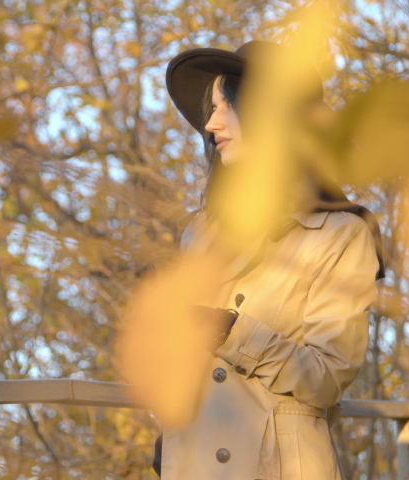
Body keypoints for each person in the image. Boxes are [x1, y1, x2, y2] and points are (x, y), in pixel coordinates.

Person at [152, 41, 385, 479]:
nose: (209, 123)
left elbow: (328, 376)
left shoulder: (340, 234)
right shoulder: (199, 232)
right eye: (211, 107)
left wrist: (230, 332)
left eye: (226, 106)